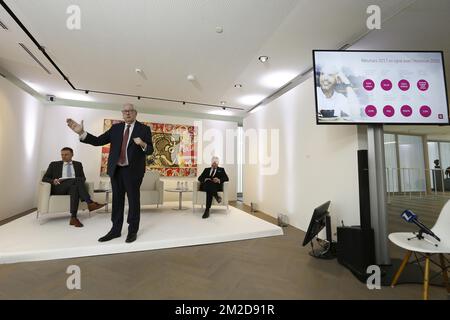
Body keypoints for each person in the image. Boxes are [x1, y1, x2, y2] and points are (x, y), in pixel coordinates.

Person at [66, 103, 154, 243]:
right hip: (116, 170)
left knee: (133, 201)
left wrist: (143, 144)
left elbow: (150, 150)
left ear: (135, 113)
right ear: (122, 113)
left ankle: (132, 231)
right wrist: (82, 133)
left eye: (130, 111)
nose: (127, 113)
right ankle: (115, 230)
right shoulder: (116, 128)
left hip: (133, 172)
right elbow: (98, 141)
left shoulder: (144, 129)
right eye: (124, 111)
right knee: (117, 201)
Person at [42, 147, 105, 227]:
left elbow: (83, 178)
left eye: (66, 154)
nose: (63, 156)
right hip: (60, 187)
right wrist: (53, 181)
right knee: (76, 181)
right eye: (62, 155)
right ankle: (89, 202)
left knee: (75, 187)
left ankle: (73, 218)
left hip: (72, 187)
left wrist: (75, 180)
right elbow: (44, 178)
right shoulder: (54, 164)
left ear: (72, 155)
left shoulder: (78, 164)